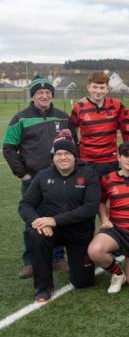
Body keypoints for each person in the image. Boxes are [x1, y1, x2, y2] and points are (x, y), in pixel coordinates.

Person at [19, 130, 100, 302]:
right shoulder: (43, 176)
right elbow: (25, 204)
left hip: (79, 231)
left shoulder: (88, 174)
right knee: (36, 233)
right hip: (52, 230)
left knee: (83, 282)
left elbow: (90, 208)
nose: (62, 158)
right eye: (58, 154)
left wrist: (55, 220)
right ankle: (43, 286)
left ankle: (79, 268)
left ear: (74, 156)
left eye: (66, 153)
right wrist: (37, 221)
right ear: (53, 158)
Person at [4, 76, 71, 278]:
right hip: (33, 179)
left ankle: (58, 257)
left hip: (59, 178)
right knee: (31, 221)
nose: (44, 96)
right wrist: (22, 173)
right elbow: (8, 148)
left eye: (48, 93)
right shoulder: (20, 118)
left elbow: (72, 144)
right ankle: (31, 261)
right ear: (33, 96)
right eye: (40, 93)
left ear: (52, 95)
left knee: (57, 219)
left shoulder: (62, 117)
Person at [88, 142, 129, 294]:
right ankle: (117, 274)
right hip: (116, 230)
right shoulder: (107, 179)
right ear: (118, 157)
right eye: (125, 156)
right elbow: (101, 201)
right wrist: (104, 218)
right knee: (95, 250)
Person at [68, 71, 123, 177]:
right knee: (89, 193)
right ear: (88, 87)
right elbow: (72, 132)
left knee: (109, 193)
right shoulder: (79, 107)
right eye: (95, 87)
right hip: (87, 162)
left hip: (110, 161)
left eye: (102, 88)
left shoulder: (116, 104)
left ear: (107, 89)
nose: (98, 91)